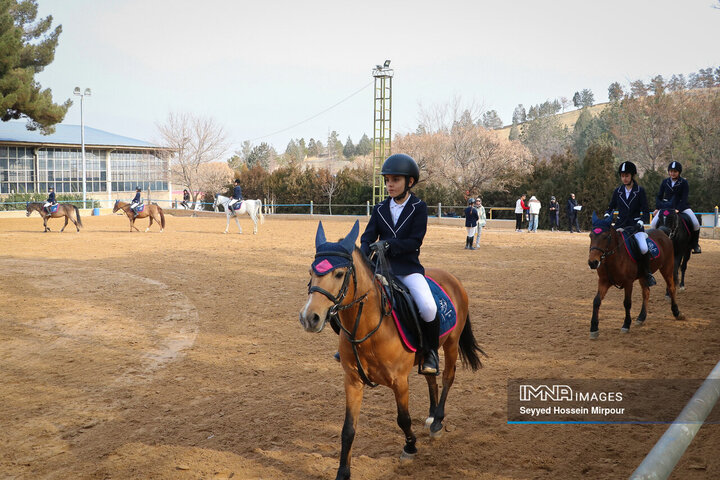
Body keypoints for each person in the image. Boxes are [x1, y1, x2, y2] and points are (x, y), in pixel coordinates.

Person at [360, 153, 440, 375]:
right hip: (379, 269)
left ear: (410, 182)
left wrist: (388, 245)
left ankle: (430, 352)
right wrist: (365, 253)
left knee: (428, 306)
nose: (389, 185)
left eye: (395, 180)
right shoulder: (379, 209)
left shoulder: (419, 207)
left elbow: (415, 241)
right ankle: (352, 346)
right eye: (387, 180)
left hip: (407, 269)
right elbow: (367, 237)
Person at [605, 161, 656, 286]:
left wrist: (640, 221)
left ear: (632, 176)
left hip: (635, 227)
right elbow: (611, 207)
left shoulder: (640, 191)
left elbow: (645, 211)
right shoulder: (618, 191)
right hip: (620, 226)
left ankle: (647, 273)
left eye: (626, 176)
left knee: (644, 248)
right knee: (606, 243)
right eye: (622, 176)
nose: (624, 178)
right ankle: (609, 271)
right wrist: (607, 215)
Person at [650, 161, 701, 254]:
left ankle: (695, 244)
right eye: (670, 171)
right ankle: (655, 244)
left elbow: (684, 198)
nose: (672, 173)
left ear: (679, 172)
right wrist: (658, 208)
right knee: (653, 224)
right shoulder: (665, 182)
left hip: (682, 206)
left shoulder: (684, 182)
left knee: (696, 223)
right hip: (666, 207)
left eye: (675, 171)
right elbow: (659, 196)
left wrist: (679, 209)